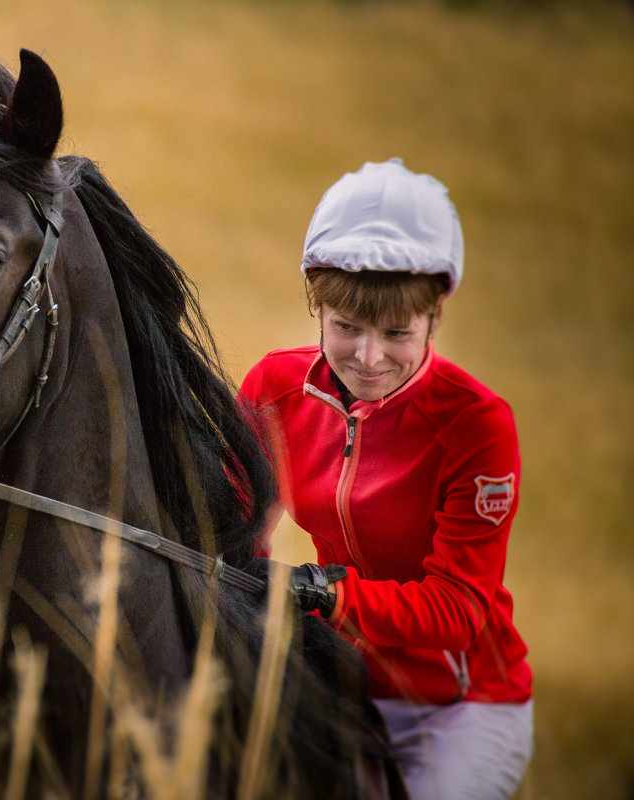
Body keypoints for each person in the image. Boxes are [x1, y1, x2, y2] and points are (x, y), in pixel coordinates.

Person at [240, 159, 534, 799]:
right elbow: (233, 522)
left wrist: (326, 594)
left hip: (459, 706)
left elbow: (457, 609)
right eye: (346, 327)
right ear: (316, 306)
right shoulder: (272, 389)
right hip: (334, 679)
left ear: (435, 316)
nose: (368, 359)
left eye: (397, 333)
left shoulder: (477, 424)